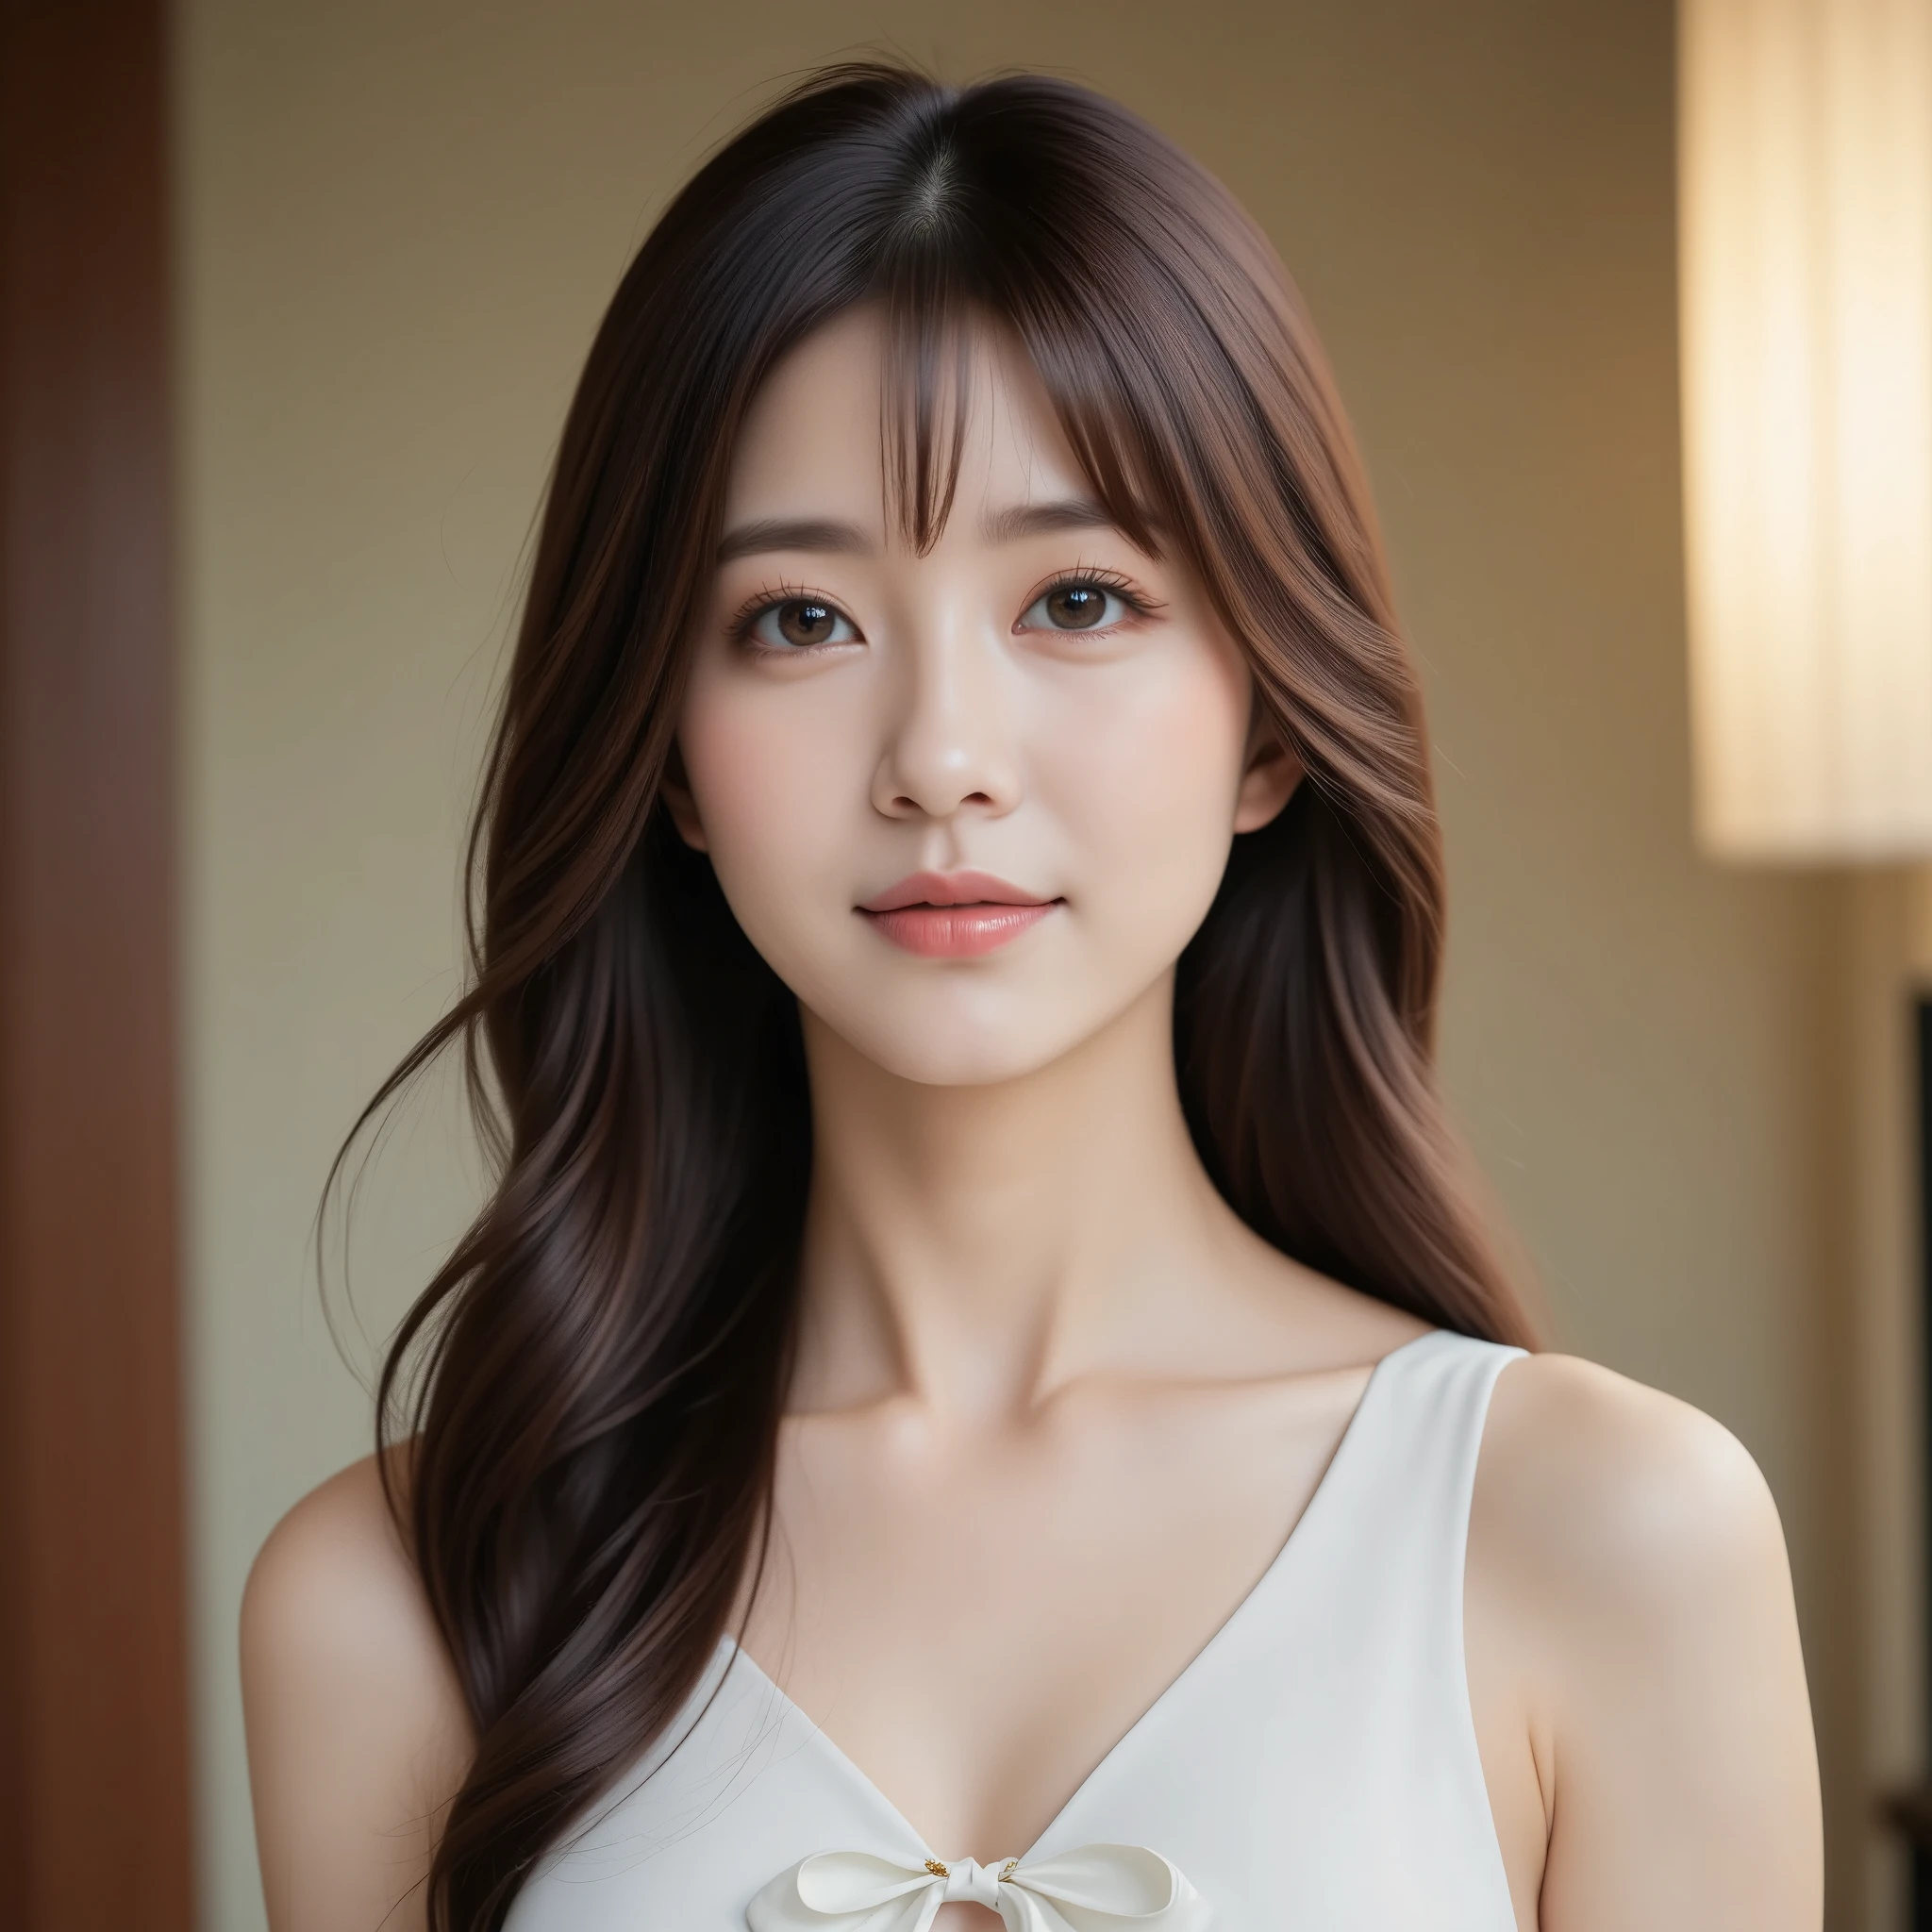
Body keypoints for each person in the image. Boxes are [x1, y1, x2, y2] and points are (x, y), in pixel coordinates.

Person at [239, 64, 1822, 1932]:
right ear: (664, 751)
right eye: (799, 620)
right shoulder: (393, 1602)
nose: (942, 755)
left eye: (1075, 598)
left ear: (1267, 722)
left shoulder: (1608, 1536)